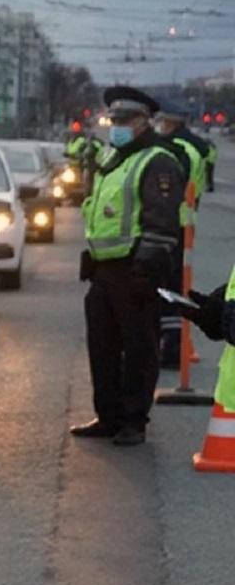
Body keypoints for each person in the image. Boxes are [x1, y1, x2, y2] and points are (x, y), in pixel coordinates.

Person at [73, 87, 185, 446]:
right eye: (113, 120)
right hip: (104, 272)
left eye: (124, 121)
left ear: (142, 122)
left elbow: (162, 222)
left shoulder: (157, 160)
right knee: (102, 347)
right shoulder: (114, 158)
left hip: (135, 271)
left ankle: (133, 420)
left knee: (138, 347)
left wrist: (145, 273)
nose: (116, 126)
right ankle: (108, 416)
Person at [154, 99, 213, 366]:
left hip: (170, 224)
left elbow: (169, 189)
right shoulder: (196, 147)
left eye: (161, 122)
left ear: (170, 122)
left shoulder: (177, 149)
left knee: (167, 286)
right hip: (185, 224)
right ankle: (174, 344)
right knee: (176, 284)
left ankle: (172, 347)